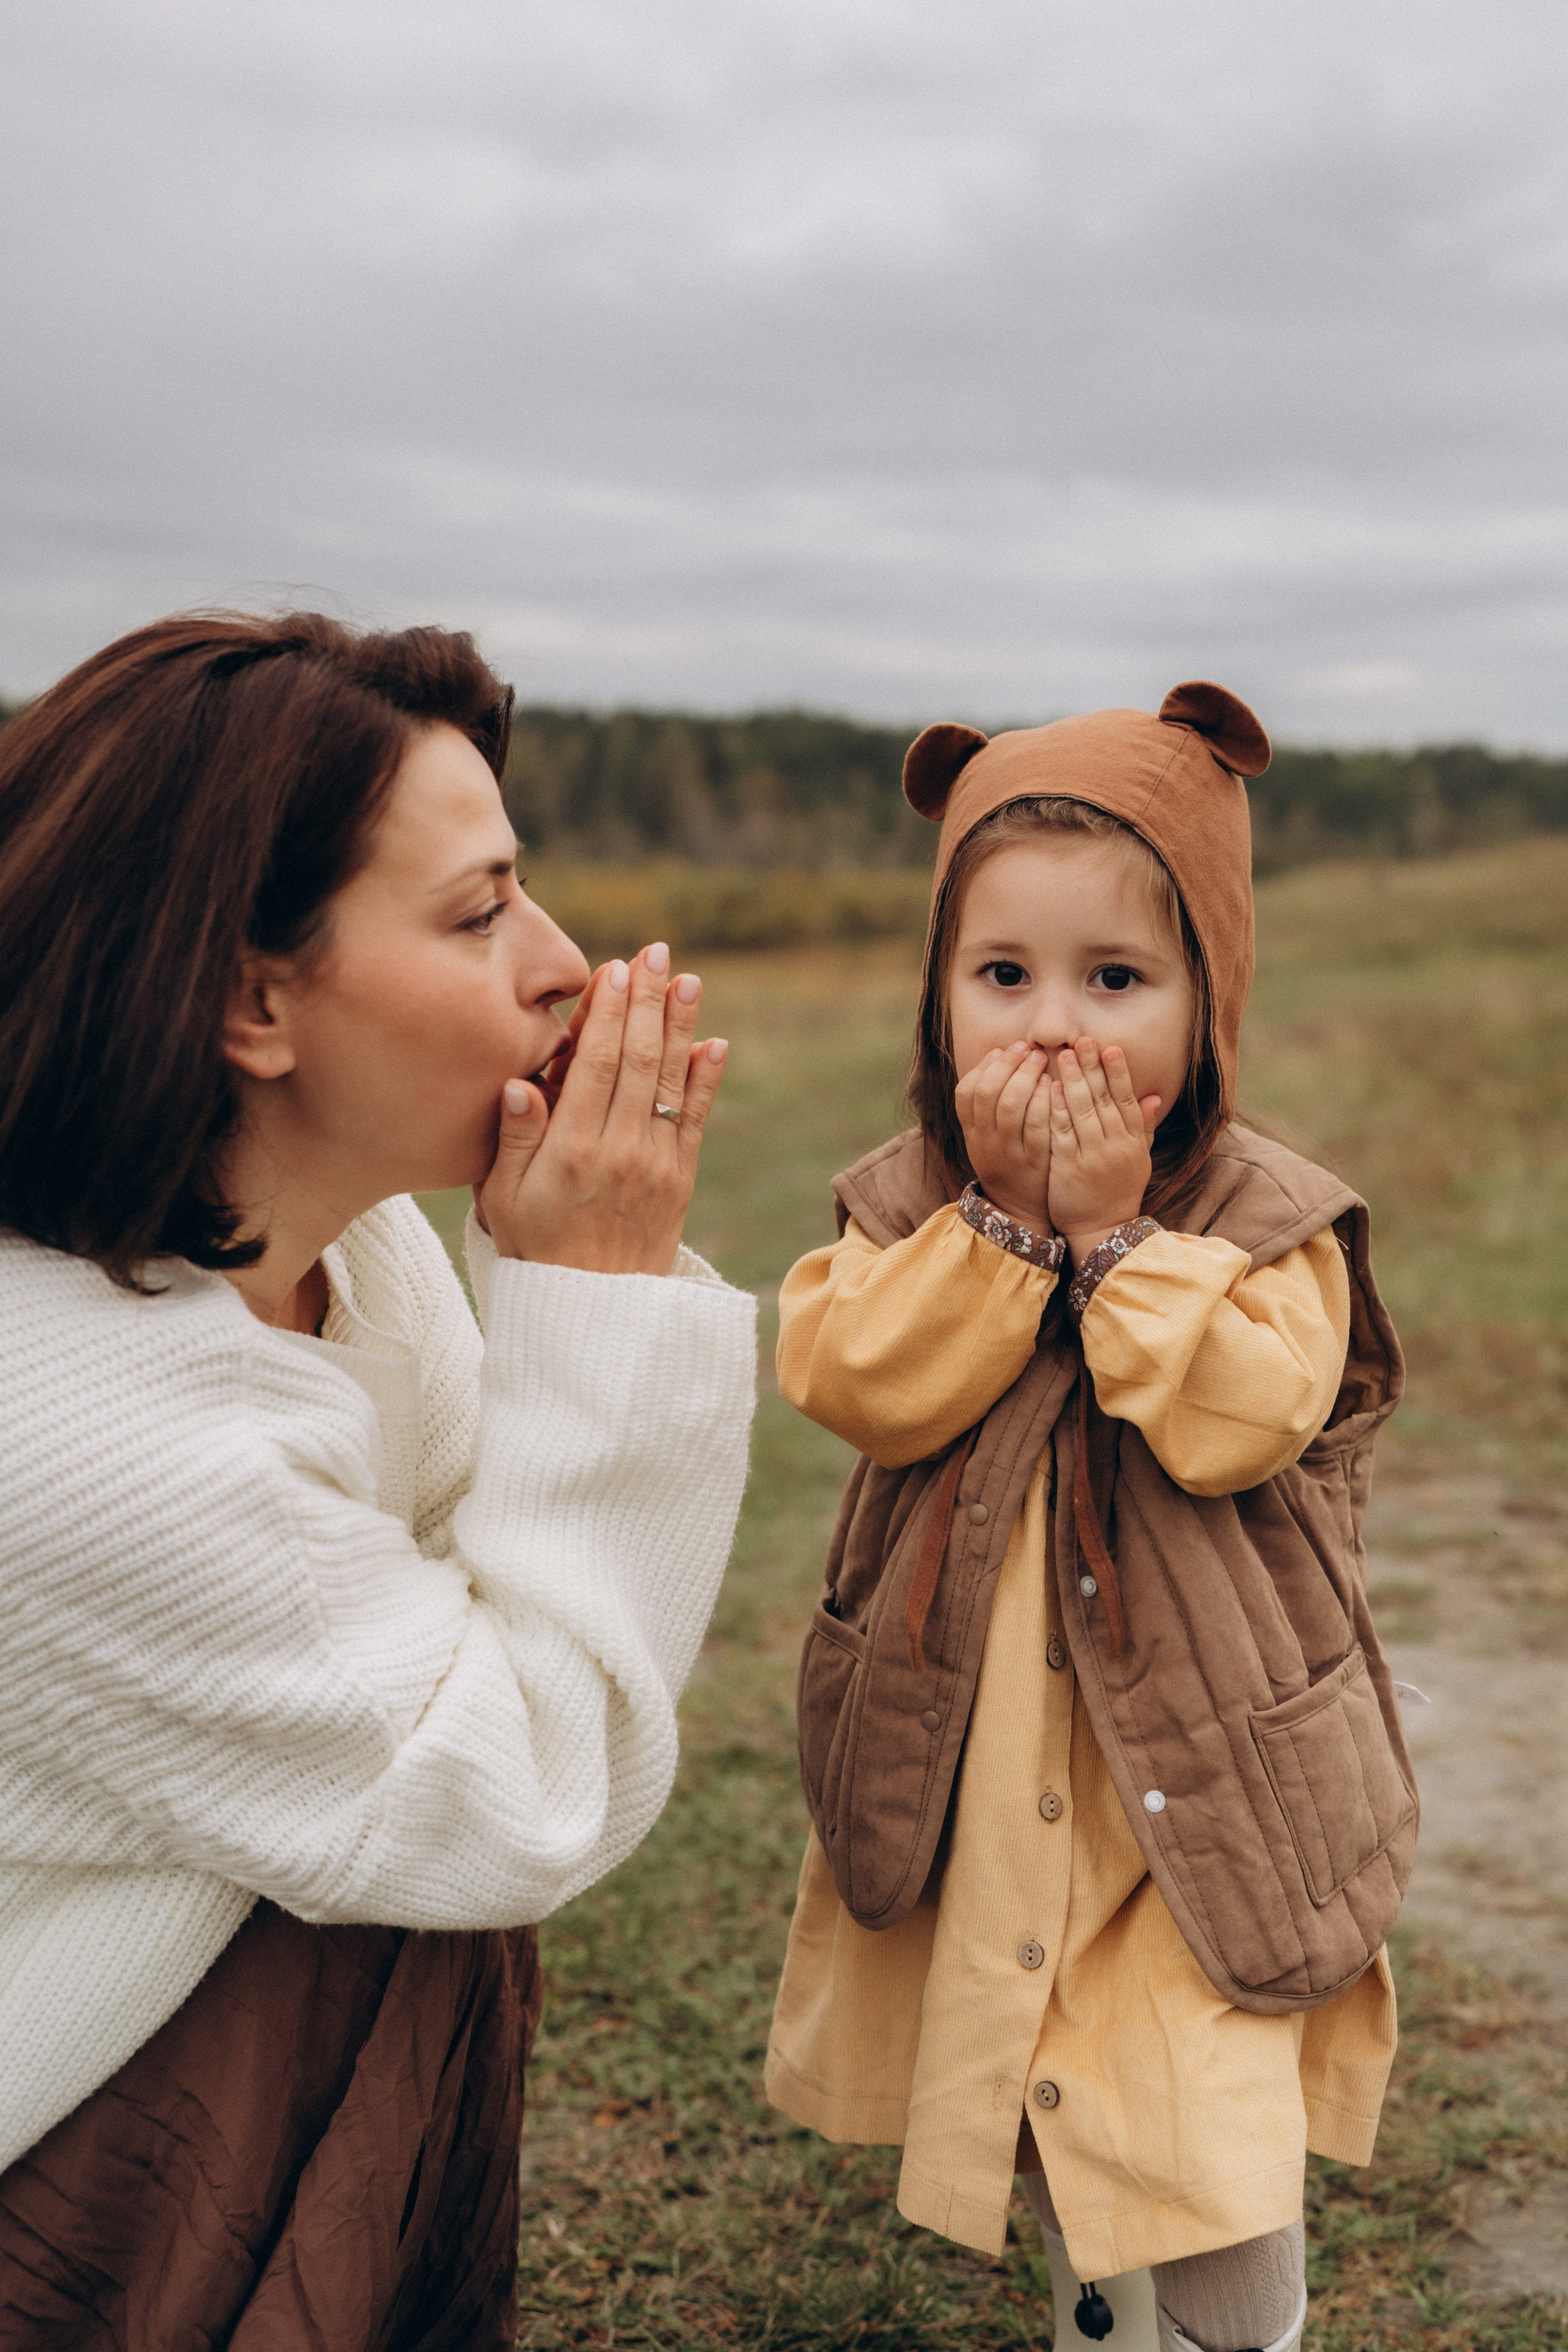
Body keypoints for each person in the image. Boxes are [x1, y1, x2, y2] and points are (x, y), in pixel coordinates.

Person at [0, 611, 757, 2349]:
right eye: (481, 913)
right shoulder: (94, 1436)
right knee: (414, 1892)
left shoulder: (354, 1253)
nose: (565, 965)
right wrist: (600, 1293)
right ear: (247, 997)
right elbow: (527, 1780)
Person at [764, 684, 1417, 2352]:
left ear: (1212, 1001)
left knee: (1199, 2131)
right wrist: (996, 1234)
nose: (1054, 1032)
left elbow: (1243, 1416)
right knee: (1058, 2112)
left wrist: (1115, 1241)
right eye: (1004, 978)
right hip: (990, 1774)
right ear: (939, 998)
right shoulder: (905, 1209)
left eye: (1117, 981)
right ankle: (1101, 2319)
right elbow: (850, 1370)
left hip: (1199, 1792)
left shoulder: (1272, 1227)